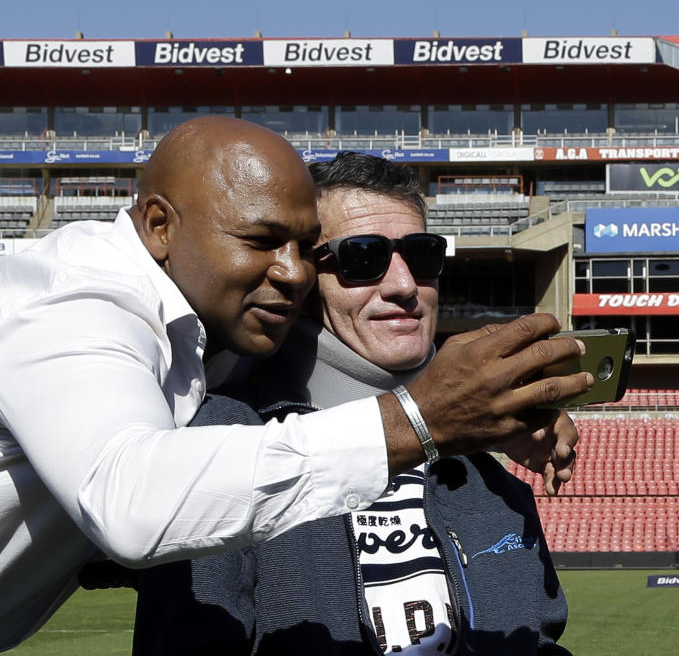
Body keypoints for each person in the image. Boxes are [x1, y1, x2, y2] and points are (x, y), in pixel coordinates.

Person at [0, 119, 589, 650]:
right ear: (160, 226)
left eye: (424, 255)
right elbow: (131, 504)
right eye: (360, 257)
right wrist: (424, 416)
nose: (292, 272)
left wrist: (485, 404)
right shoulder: (73, 302)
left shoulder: (222, 337)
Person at [133, 152, 573, 654]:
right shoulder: (223, 439)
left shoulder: (488, 477)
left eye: (423, 255)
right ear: (299, 276)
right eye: (363, 257)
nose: (405, 285)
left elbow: (538, 638)